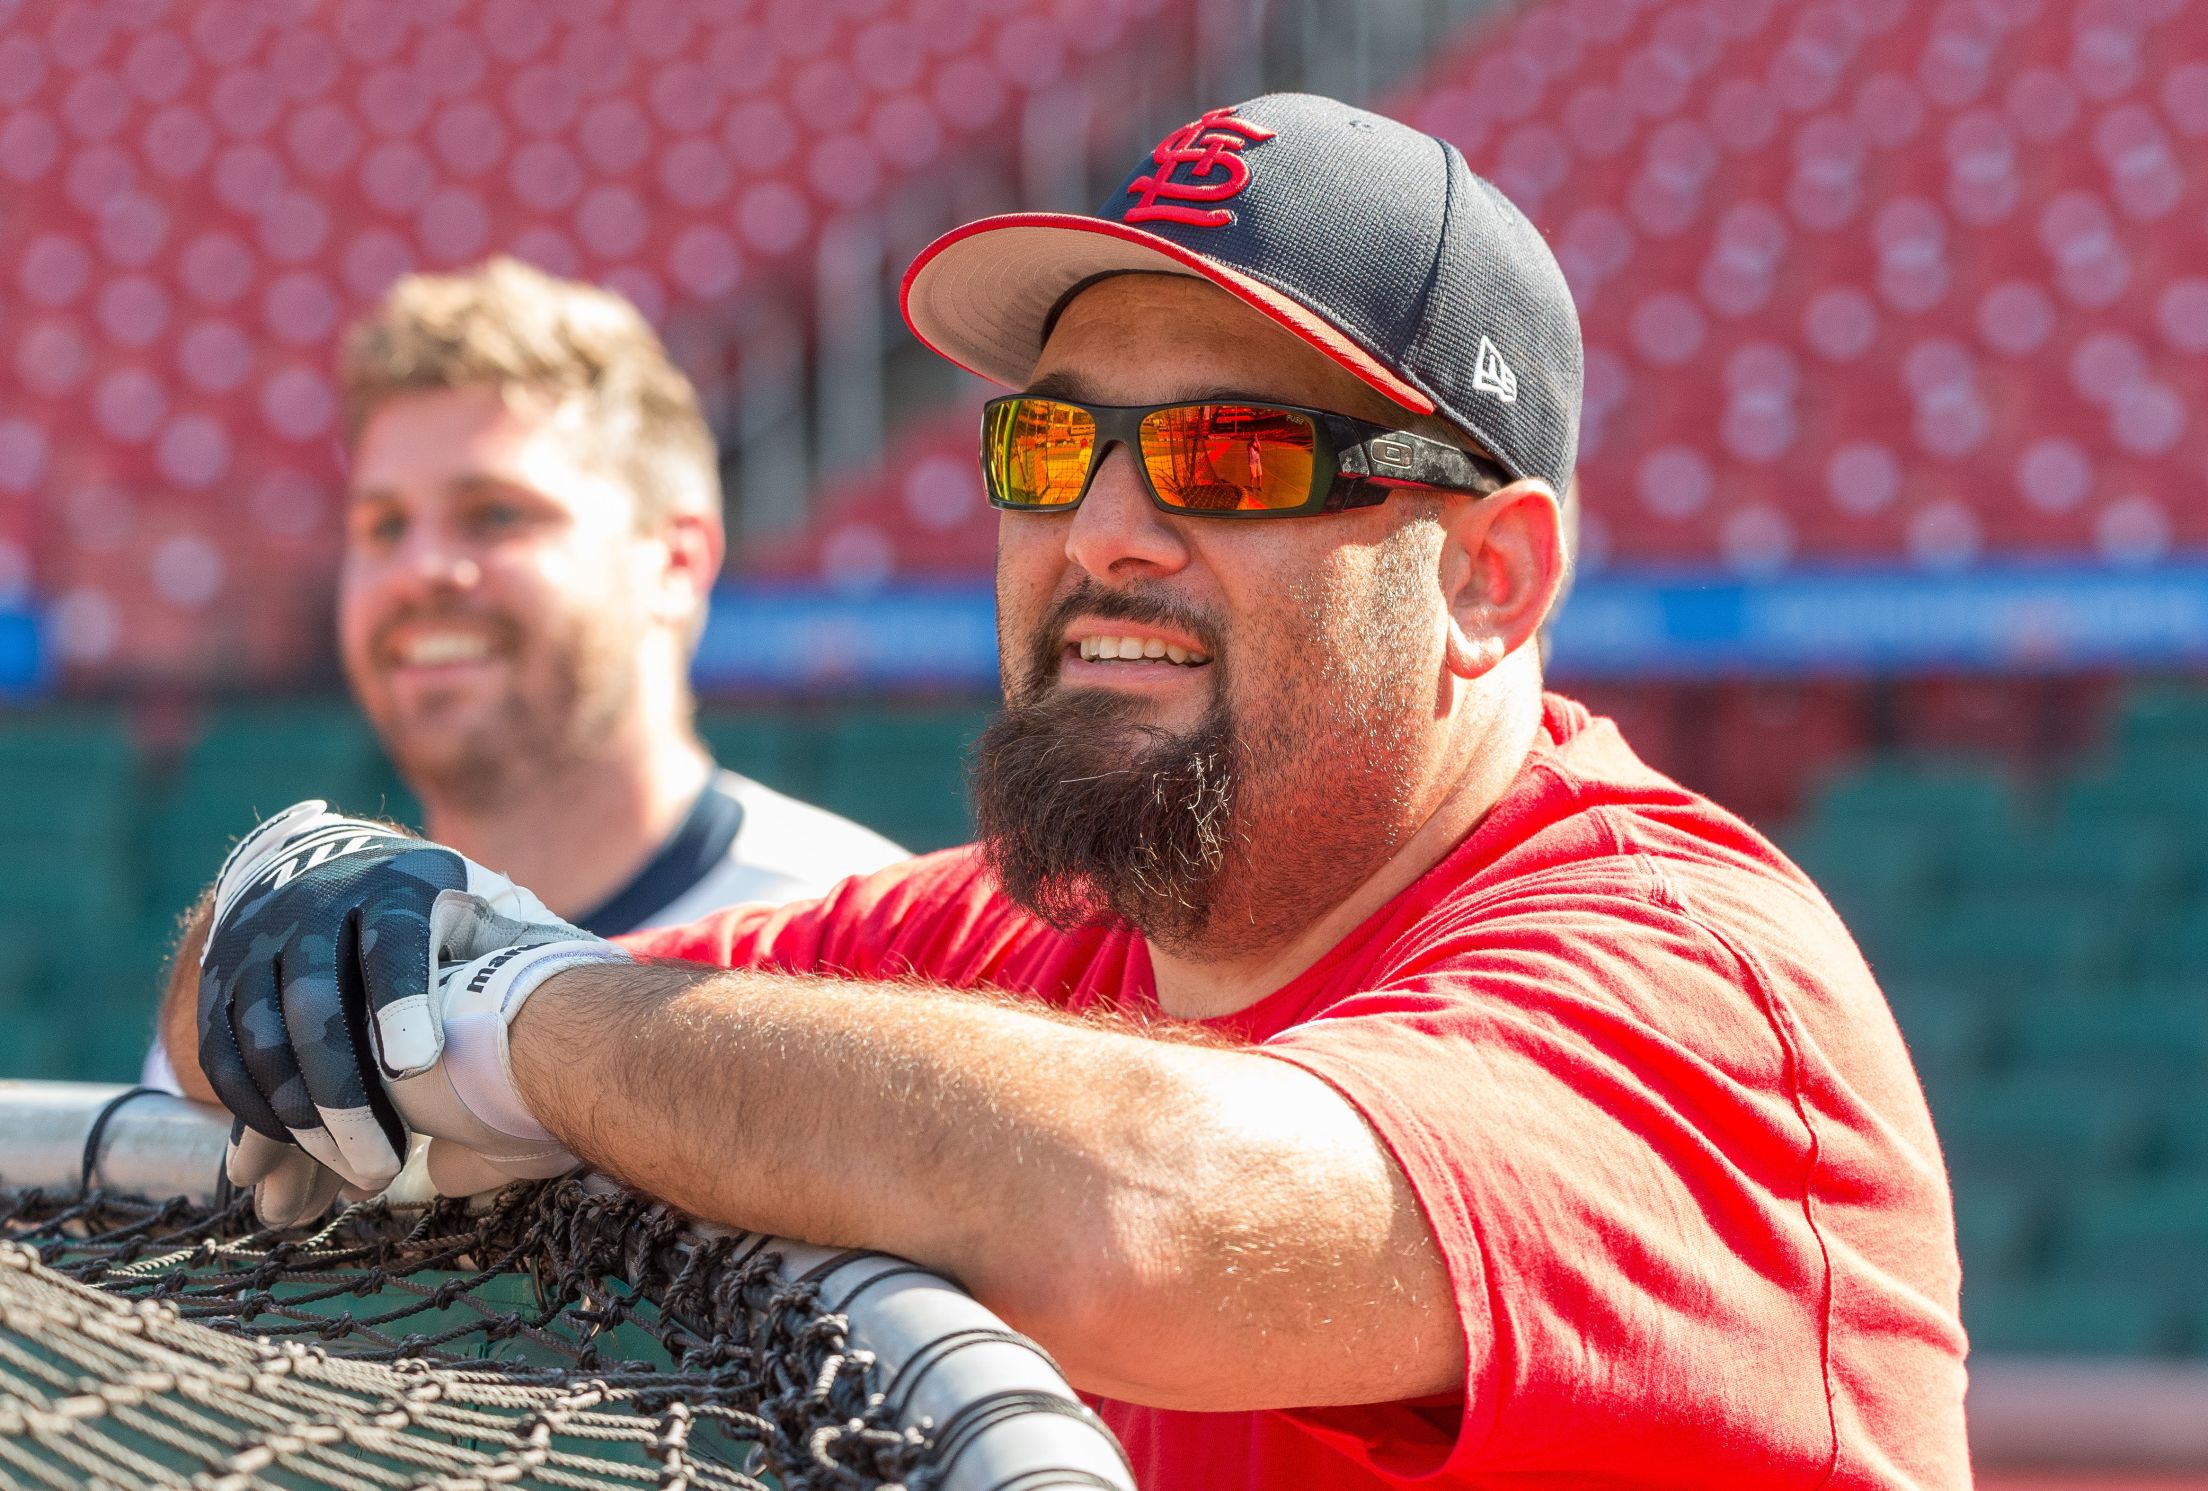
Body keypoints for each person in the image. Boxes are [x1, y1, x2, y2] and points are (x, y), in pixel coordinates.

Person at [166, 96, 1968, 1489]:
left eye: (1232, 453)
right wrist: (320, 924)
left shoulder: (1693, 978)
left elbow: (1144, 1217)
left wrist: (512, 1006)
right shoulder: (1025, 942)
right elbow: (283, 1017)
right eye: (1051, 443)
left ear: (1489, 579)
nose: (1106, 530)